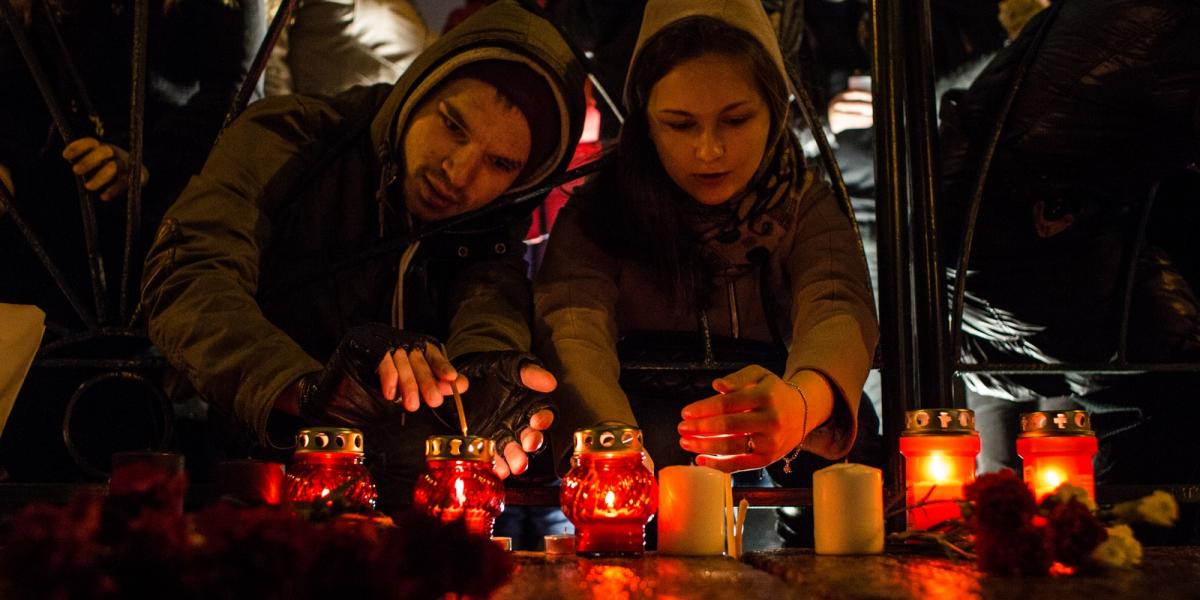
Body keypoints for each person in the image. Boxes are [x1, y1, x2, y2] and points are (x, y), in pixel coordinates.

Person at [140, 0, 586, 507]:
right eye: (452, 125)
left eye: (501, 162)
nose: (457, 173)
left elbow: (487, 304)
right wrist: (302, 388)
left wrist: (485, 366)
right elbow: (189, 276)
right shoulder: (293, 137)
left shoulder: (489, 222)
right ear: (419, 86)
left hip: (402, 504)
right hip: (242, 476)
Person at [534, 0, 878, 484]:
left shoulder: (801, 201)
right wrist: (610, 438)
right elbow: (572, 325)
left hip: (774, 429)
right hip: (644, 431)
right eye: (679, 124)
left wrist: (803, 402)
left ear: (775, 113)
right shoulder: (600, 209)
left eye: (736, 120)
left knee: (847, 454)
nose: (709, 150)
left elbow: (836, 301)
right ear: (646, 123)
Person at [939, 0, 1200, 483]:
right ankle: (1143, 539)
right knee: (1157, 390)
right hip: (1023, 249)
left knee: (1137, 388)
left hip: (979, 253)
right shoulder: (1171, 22)